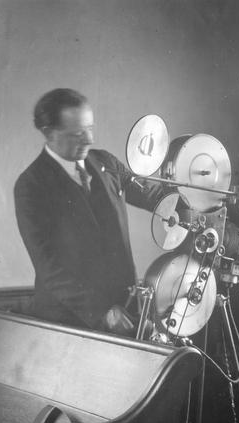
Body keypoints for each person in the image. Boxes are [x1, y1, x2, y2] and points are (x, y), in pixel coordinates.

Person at [14, 88, 166, 333]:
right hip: (69, 322)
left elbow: (154, 196)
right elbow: (48, 267)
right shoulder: (31, 185)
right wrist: (101, 312)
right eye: (77, 133)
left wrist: (195, 202)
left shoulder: (106, 162)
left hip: (124, 309)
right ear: (48, 133)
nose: (89, 139)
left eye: (90, 128)